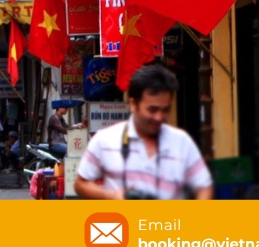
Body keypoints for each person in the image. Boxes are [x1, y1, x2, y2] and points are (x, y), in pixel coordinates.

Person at [75, 65, 214, 200]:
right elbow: (80, 184)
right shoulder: (104, 139)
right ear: (133, 104)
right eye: (152, 110)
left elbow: (204, 186)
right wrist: (110, 196)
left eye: (165, 110)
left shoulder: (182, 141)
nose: (159, 117)